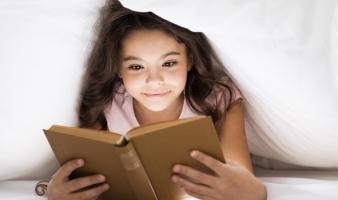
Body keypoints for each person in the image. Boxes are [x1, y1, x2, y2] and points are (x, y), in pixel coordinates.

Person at [41, 0, 267, 199]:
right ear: (119, 68)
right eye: (136, 67)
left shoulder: (219, 97)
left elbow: (241, 175)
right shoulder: (108, 102)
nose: (154, 80)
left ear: (189, 60)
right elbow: (82, 177)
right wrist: (52, 191)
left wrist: (255, 193)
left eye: (169, 63)